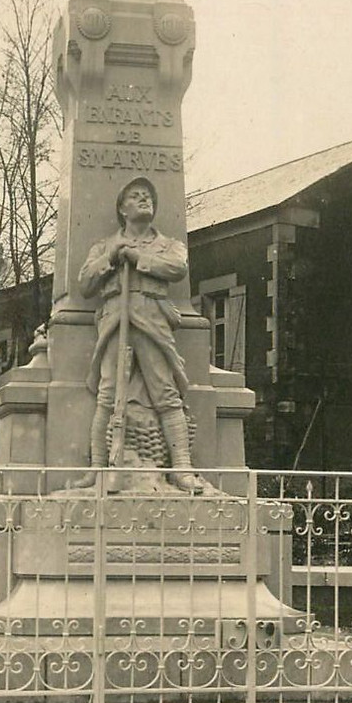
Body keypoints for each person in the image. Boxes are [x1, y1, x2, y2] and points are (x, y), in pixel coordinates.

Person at [76, 176, 203, 492]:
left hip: (151, 317)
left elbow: (177, 267)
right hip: (115, 318)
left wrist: (138, 259)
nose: (144, 199)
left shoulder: (169, 245)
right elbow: (85, 283)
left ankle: (182, 469)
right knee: (107, 393)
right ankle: (97, 469)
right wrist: (111, 258)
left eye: (148, 196)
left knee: (165, 390)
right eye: (135, 195)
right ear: (122, 208)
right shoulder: (105, 246)